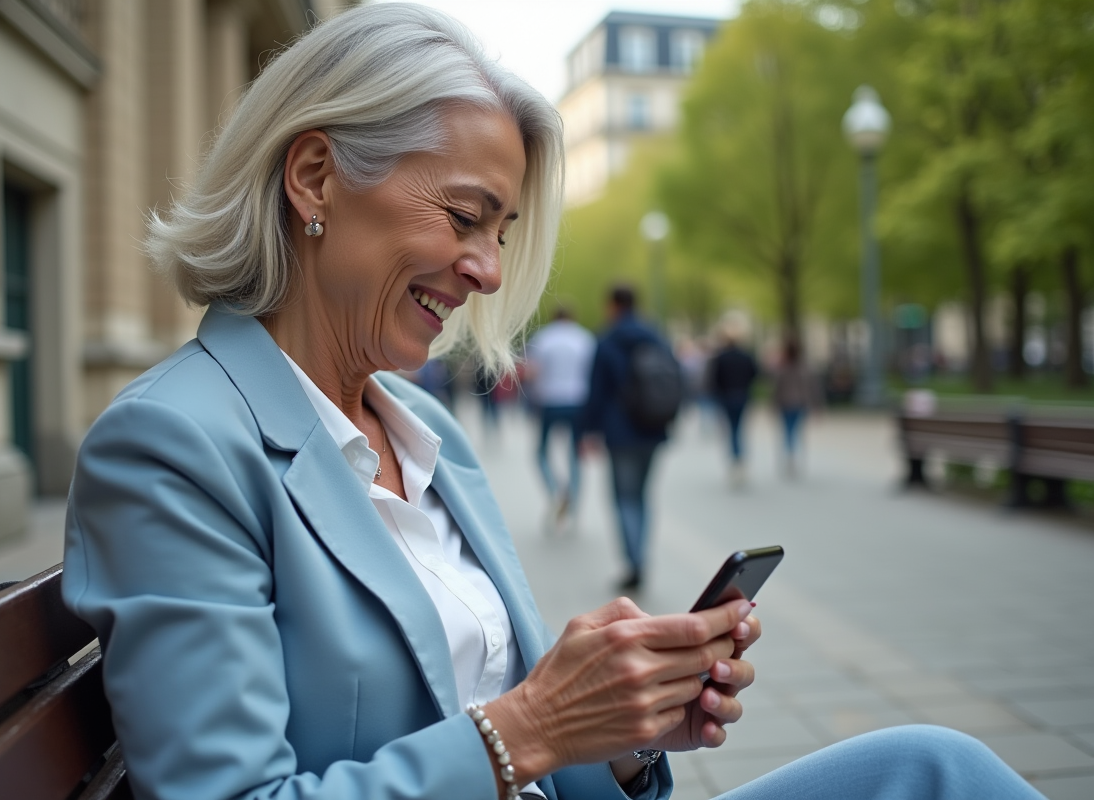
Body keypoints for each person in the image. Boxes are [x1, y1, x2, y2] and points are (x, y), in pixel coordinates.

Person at [61, 5, 1044, 800]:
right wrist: (531, 727)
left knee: (930, 764)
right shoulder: (173, 444)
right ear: (316, 176)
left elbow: (516, 730)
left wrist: (619, 733)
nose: (489, 270)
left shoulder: (428, 430)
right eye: (465, 216)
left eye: (503, 229)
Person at [578, 285, 672, 591]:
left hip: (620, 432)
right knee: (643, 496)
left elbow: (596, 391)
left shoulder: (607, 340)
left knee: (624, 498)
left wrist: (588, 430)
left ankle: (634, 562)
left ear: (613, 305)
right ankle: (641, 555)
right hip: (654, 428)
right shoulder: (655, 336)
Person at [524, 306, 595, 526]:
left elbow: (532, 372)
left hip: (549, 401)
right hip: (577, 401)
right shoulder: (585, 338)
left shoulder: (544, 338)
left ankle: (556, 491)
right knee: (575, 454)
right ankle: (572, 500)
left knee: (541, 452)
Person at [707, 321, 758, 487]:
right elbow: (754, 374)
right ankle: (739, 459)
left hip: (726, 397)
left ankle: (735, 460)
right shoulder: (746, 356)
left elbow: (714, 379)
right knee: (738, 428)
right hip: (742, 395)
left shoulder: (721, 357)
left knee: (731, 429)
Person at [771, 339, 820, 477]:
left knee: (788, 431)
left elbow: (776, 389)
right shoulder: (806, 367)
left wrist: (773, 405)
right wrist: (817, 406)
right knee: (796, 431)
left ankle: (790, 457)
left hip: (787, 404)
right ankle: (793, 457)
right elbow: (814, 388)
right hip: (799, 404)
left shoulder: (783, 368)